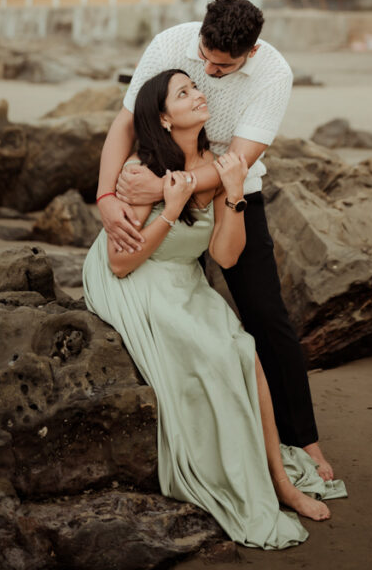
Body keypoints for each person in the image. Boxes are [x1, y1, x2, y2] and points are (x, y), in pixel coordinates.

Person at [83, 70, 346, 548]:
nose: (198, 95)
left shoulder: (220, 164)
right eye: (184, 93)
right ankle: (251, 478)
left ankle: (281, 484)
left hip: (183, 277)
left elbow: (224, 256)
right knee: (215, 354)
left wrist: (235, 194)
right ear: (164, 118)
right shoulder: (141, 170)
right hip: (137, 279)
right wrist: (169, 204)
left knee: (243, 351)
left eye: (195, 87)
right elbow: (120, 262)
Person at [97, 0, 334, 480]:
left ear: (251, 51)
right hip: (161, 189)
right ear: (200, 32)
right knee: (186, 309)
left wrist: (168, 186)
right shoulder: (169, 45)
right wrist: (105, 196)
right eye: (203, 57)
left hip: (230, 191)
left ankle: (303, 439)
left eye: (220, 67)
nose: (207, 72)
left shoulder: (273, 74)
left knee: (266, 314)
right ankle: (208, 427)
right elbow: (126, 122)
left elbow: (239, 161)